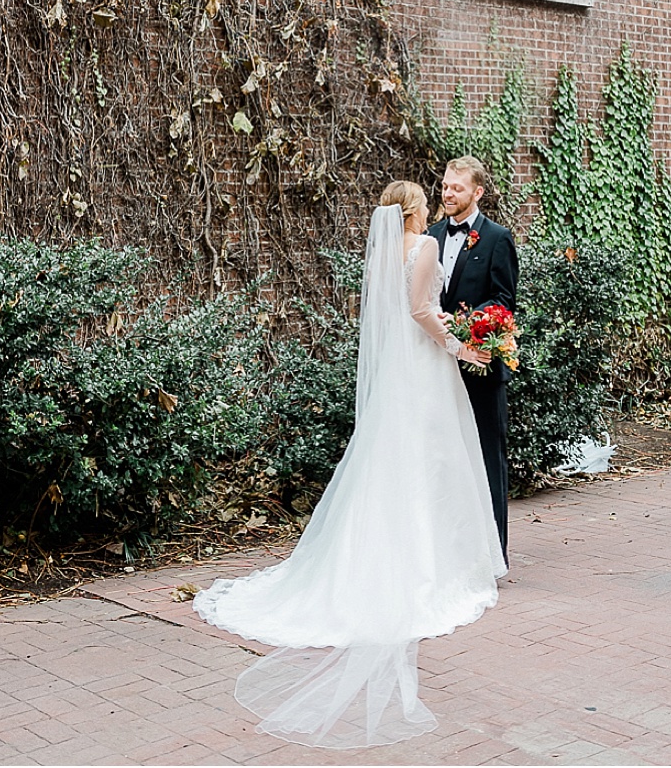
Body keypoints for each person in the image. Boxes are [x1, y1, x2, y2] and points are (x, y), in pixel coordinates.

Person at [192, 181, 506, 748]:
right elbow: (420, 310)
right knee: (431, 465)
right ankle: (431, 565)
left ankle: (387, 554)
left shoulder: (386, 252)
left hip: (399, 374)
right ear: (414, 209)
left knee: (395, 465)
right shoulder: (427, 246)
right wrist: (461, 346)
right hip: (428, 368)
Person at [428, 156, 519, 564]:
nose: (448, 193)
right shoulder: (429, 236)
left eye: (457, 188)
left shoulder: (497, 238)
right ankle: (449, 550)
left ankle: (492, 552)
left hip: (481, 366)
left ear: (477, 192)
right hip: (435, 368)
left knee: (487, 457)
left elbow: (504, 301)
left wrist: (466, 327)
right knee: (443, 459)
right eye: (445, 186)